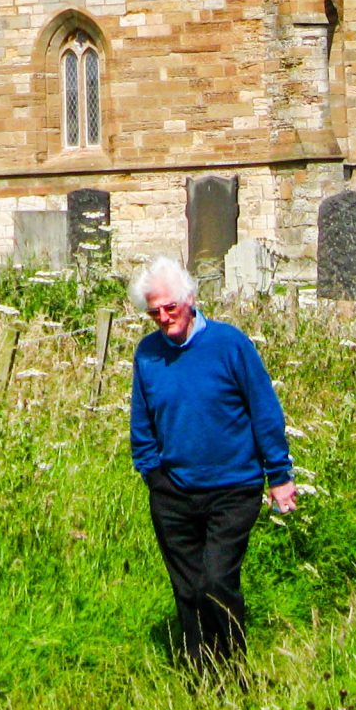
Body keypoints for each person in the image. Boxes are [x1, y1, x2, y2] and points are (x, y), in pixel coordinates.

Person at [127, 255, 297, 669]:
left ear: (190, 299)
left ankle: (234, 670)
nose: (165, 318)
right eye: (155, 312)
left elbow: (264, 410)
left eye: (170, 307)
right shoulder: (147, 354)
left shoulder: (229, 344)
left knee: (217, 581)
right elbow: (142, 421)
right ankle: (199, 675)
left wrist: (279, 476)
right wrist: (153, 473)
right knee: (187, 589)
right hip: (173, 491)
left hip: (233, 487)